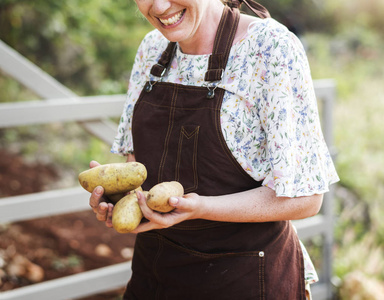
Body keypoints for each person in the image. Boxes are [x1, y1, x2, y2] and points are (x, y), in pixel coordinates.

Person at [89, 0, 339, 299]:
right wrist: (122, 201)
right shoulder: (152, 48)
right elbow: (137, 165)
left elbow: (306, 199)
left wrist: (201, 209)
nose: (158, 5)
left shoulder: (270, 48)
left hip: (245, 281)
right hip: (155, 275)